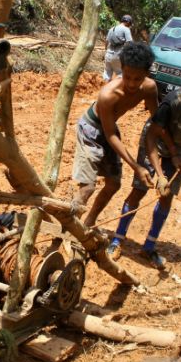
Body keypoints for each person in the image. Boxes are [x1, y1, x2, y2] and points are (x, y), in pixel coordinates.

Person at [107, 65, 181, 268]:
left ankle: (149, 247)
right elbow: (153, 135)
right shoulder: (173, 102)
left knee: (166, 195)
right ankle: (117, 240)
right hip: (155, 142)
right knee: (140, 189)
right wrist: (160, 174)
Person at [71, 42, 163, 227]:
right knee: (88, 187)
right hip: (90, 129)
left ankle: (88, 224)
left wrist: (166, 159)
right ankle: (67, 230)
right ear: (121, 69)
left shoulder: (150, 88)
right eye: (127, 76)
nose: (131, 83)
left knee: (113, 184)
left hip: (109, 127)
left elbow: (157, 121)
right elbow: (110, 134)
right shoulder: (108, 95)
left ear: (147, 73)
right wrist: (136, 166)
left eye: (138, 79)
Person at [103, 14, 134, 82]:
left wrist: (105, 51)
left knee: (107, 73)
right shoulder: (126, 29)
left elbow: (106, 41)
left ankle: (104, 88)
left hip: (108, 54)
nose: (130, 25)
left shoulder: (112, 29)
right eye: (130, 23)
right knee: (121, 74)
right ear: (128, 22)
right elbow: (130, 43)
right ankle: (117, 90)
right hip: (118, 55)